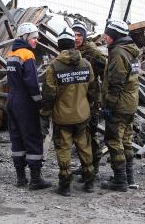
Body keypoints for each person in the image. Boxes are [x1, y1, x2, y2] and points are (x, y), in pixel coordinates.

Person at [40, 27, 97, 196]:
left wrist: (44, 114)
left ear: (59, 46)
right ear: (74, 44)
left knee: (63, 149)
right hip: (82, 116)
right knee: (85, 148)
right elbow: (94, 90)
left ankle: (65, 187)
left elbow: (49, 94)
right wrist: (93, 109)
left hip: (62, 118)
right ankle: (89, 183)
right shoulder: (86, 64)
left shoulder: (54, 67)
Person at [6, 22, 52, 190]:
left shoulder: (12, 54)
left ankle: (20, 178)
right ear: (25, 37)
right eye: (34, 37)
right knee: (32, 137)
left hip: (12, 100)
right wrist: (39, 102)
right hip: (25, 102)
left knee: (16, 138)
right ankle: (35, 179)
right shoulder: (27, 55)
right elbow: (32, 83)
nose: (36, 40)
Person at [100, 20, 140, 192]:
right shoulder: (132, 51)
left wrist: (108, 106)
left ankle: (120, 180)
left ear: (114, 36)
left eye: (107, 35)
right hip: (131, 102)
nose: (104, 37)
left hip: (120, 104)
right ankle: (128, 177)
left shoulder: (118, 53)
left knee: (114, 141)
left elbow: (116, 83)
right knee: (126, 140)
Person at [72, 20, 106, 177]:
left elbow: (106, 75)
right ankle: (84, 165)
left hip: (90, 100)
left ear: (84, 36)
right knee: (79, 135)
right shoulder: (72, 51)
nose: (76, 38)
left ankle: (94, 167)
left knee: (90, 135)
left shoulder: (93, 53)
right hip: (76, 100)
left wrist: (102, 97)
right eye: (74, 34)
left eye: (79, 35)